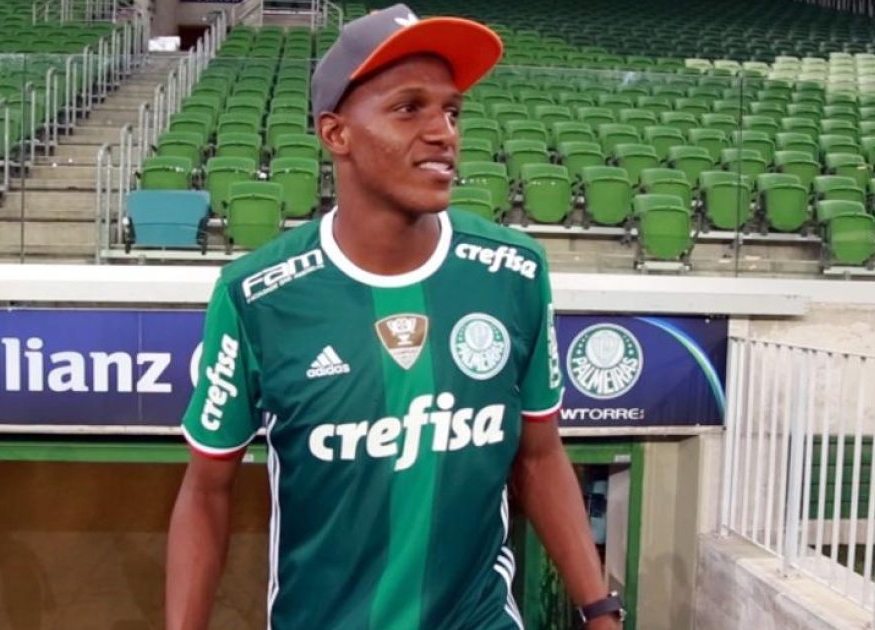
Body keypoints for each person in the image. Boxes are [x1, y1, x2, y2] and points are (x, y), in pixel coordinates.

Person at [166, 5, 625, 629]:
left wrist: (600, 612)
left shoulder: (513, 271)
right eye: (409, 108)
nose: (444, 133)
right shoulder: (257, 295)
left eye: (452, 111)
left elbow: (540, 457)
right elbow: (206, 491)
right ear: (336, 135)